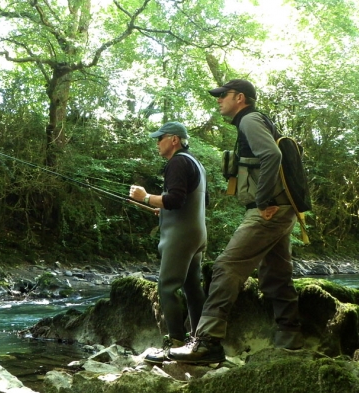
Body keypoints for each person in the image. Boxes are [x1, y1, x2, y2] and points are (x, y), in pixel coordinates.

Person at [168, 79, 303, 365]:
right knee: (276, 274)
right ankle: (290, 338)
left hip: (267, 211)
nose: (218, 100)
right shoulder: (256, 120)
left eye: (222, 95)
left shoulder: (250, 120)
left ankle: (206, 343)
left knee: (226, 266)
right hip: (282, 210)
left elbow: (271, 155)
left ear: (239, 98)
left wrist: (264, 200)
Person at [129, 121, 208, 364]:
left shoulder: (177, 162)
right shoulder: (195, 163)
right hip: (197, 235)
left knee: (166, 287)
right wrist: (162, 210)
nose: (157, 142)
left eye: (160, 138)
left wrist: (146, 197)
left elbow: (174, 199)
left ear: (174, 139)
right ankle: (201, 342)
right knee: (193, 289)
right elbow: (190, 201)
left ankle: (174, 345)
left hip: (180, 237)